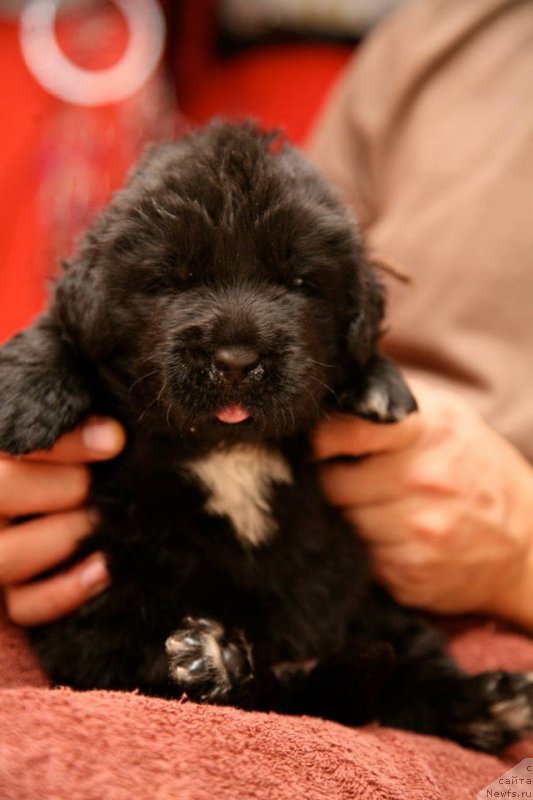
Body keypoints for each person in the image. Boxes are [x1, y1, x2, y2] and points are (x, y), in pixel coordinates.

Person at [0, 0, 532, 639]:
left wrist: (522, 558)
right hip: (171, 557)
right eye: (179, 282)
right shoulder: (438, 33)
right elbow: (301, 231)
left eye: (293, 284)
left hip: (404, 611)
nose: (235, 342)